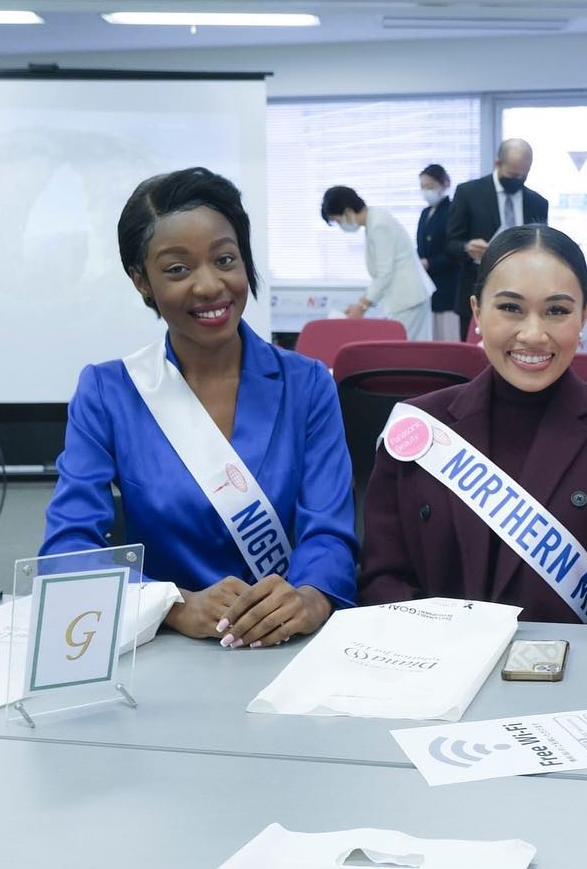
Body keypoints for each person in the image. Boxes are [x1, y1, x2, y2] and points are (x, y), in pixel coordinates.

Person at [42, 167, 359, 648]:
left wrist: (309, 598)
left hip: (291, 646)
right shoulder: (109, 392)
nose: (210, 286)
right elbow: (68, 550)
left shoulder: (308, 385)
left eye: (225, 259)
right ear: (141, 281)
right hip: (167, 650)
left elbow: (330, 534)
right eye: (177, 269)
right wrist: (171, 604)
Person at [359, 224, 587, 625]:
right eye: (511, 308)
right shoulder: (419, 429)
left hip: (574, 677)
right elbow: (382, 577)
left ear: (584, 316)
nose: (533, 334)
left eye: (557, 311)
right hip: (435, 671)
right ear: (477, 312)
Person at [445, 139, 549, 340]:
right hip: (476, 287)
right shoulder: (469, 193)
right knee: (473, 354)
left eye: (523, 175)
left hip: (525, 290)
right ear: (498, 163)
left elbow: (542, 246)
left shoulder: (537, 202)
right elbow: (450, 243)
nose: (517, 179)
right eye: (512, 174)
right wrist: (467, 247)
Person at [321, 185, 435, 341]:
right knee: (408, 353)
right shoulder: (373, 220)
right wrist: (361, 305)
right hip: (405, 299)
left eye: (338, 221)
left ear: (348, 212)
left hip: (408, 299)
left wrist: (362, 306)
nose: (341, 226)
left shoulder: (378, 224)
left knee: (408, 354)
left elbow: (384, 273)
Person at [417, 164, 460, 341]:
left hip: (448, 284)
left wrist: (430, 263)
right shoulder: (425, 212)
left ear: (444, 184)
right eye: (423, 186)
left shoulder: (453, 211)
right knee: (431, 337)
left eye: (430, 186)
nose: (426, 191)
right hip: (428, 286)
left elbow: (454, 250)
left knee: (448, 336)